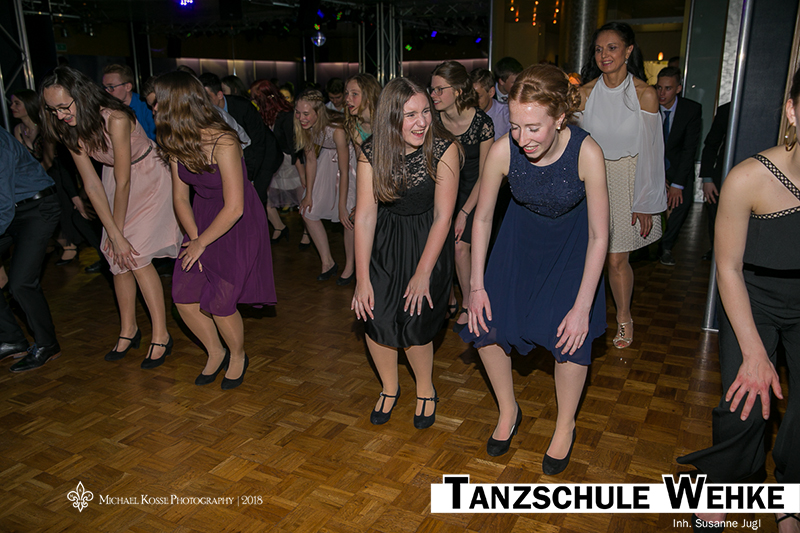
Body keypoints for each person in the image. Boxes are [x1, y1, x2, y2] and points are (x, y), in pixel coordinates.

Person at [460, 65, 608, 470]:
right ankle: (508, 410)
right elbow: (482, 219)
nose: (522, 138)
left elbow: (600, 236)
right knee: (485, 324)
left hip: (571, 246)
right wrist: (476, 286)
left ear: (560, 117)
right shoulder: (504, 150)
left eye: (533, 128)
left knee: (570, 339)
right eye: (515, 126)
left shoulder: (587, 153)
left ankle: (565, 425)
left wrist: (582, 307)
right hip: (518, 241)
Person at [677, 67, 800, 533]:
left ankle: (791, 498)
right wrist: (753, 352)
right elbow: (727, 268)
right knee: (746, 399)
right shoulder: (748, 177)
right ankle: (720, 488)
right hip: (753, 297)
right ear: (792, 111)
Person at [40, 66, 182, 367]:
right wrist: (113, 235)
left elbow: (124, 180)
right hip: (112, 180)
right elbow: (92, 184)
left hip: (148, 177)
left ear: (80, 95)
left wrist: (118, 233)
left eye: (64, 106)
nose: (60, 115)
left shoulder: (116, 119)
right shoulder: (67, 127)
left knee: (135, 255)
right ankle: (129, 330)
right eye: (53, 110)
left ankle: (161, 334)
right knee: (116, 259)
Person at [154, 71, 276, 389]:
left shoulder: (224, 140)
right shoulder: (174, 139)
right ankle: (215, 351)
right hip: (200, 219)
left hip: (237, 222)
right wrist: (195, 239)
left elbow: (235, 207)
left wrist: (202, 243)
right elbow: (180, 198)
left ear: (178, 104)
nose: (153, 109)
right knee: (183, 298)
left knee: (221, 303)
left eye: (159, 103)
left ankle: (237, 355)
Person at [351, 77, 460, 429]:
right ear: (391, 117)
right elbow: (365, 217)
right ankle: (389, 387)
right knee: (376, 316)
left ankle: (425, 388)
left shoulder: (444, 149)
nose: (422, 121)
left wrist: (423, 273)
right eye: (410, 114)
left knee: (415, 319)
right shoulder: (371, 152)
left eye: (426, 111)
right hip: (385, 239)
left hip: (427, 240)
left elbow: (443, 217)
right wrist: (361, 278)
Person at [579, 21, 667, 349]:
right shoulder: (584, 94)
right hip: (590, 180)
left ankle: (624, 317)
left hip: (628, 181)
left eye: (612, 48)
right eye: (599, 49)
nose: (604, 55)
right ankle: (581, 316)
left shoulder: (646, 94)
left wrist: (646, 201)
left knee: (616, 260)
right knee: (586, 257)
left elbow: (653, 154)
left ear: (628, 51)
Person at [430, 61, 494, 331]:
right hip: (443, 189)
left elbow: (487, 176)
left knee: (458, 247)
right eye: (432, 90)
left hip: (474, 192)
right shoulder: (434, 121)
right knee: (437, 246)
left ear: (457, 91)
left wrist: (465, 212)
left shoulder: (482, 123)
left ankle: (468, 303)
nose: (433, 95)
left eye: (439, 90)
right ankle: (449, 297)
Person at [0, 126, 61, 372]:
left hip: (37, 208)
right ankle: (11, 339)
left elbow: (3, 203)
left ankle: (48, 345)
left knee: (21, 282)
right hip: (12, 212)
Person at [294, 89, 356, 284]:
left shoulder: (337, 130)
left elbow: (344, 171)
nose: (301, 118)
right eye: (298, 112)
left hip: (349, 165)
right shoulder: (303, 126)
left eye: (306, 113)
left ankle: (350, 266)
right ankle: (327, 262)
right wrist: (308, 194)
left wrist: (341, 206)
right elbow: (311, 160)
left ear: (318, 112)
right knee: (307, 211)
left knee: (349, 216)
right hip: (326, 161)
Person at [199, 73, 282, 205]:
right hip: (244, 157)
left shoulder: (243, 107)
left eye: (207, 97)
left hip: (266, 155)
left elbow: (258, 143)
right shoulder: (207, 113)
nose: (203, 103)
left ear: (219, 95)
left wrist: (250, 177)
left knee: (256, 197)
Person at [655, 67, 702, 267]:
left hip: (678, 166)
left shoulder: (691, 110)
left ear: (678, 89)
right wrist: (657, 175)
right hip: (652, 165)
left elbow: (689, 150)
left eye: (667, 88)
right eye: (659, 87)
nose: (661, 93)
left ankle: (665, 247)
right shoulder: (648, 105)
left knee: (682, 201)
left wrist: (677, 184)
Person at [250, 79, 304, 242]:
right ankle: (279, 226)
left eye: (256, 98)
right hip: (272, 163)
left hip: (290, 163)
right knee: (264, 198)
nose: (254, 101)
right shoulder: (261, 115)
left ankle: (308, 232)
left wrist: (303, 174)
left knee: (303, 200)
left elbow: (295, 148)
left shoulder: (287, 116)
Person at [699, 102, 730, 260]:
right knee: (715, 214)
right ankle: (715, 251)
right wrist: (707, 178)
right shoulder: (727, 110)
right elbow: (711, 145)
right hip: (722, 174)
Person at [102, 64, 157, 142]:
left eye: (111, 87)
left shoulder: (146, 105)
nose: (106, 92)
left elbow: (155, 139)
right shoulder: (106, 109)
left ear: (128, 87)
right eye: (104, 88)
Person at [343, 73, 382, 152]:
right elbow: (360, 155)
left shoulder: (384, 120)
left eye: (354, 94)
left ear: (369, 96)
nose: (347, 99)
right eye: (346, 93)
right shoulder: (353, 124)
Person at [470, 68, 511, 140]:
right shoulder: (464, 113)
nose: (473, 102)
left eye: (478, 97)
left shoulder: (507, 114)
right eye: (470, 97)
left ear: (491, 92)